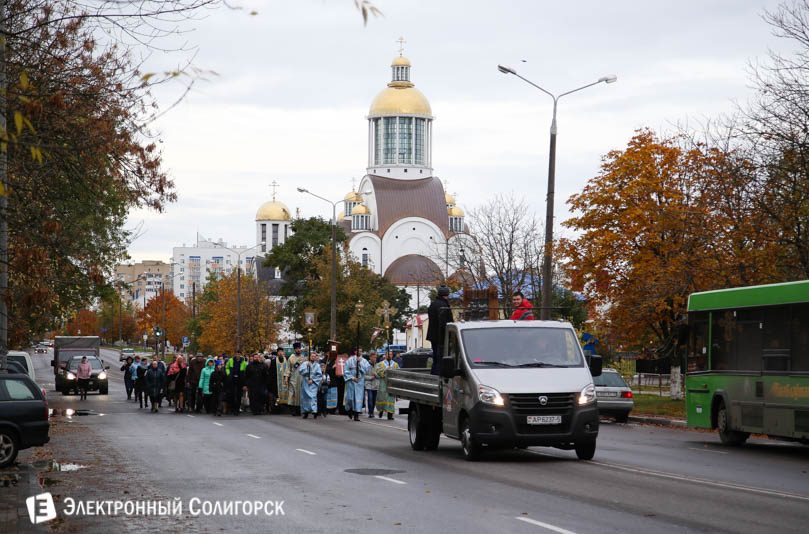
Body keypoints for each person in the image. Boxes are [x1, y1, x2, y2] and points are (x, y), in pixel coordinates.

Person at [427, 285, 452, 375]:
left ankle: (433, 374)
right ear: (446, 295)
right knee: (441, 357)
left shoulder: (433, 304)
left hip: (433, 336)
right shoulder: (444, 306)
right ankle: (437, 376)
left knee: (435, 357)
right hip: (441, 336)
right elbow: (445, 323)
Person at [343, 351, 371, 421]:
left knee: (358, 398)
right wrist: (352, 378)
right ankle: (349, 410)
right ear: (356, 352)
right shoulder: (350, 360)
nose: (360, 352)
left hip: (359, 382)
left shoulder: (364, 361)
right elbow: (345, 370)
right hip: (351, 381)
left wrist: (360, 363)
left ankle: (356, 415)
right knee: (350, 398)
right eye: (358, 351)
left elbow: (367, 370)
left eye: (361, 351)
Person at [297, 351, 323, 419]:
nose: (313, 357)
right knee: (305, 397)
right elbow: (300, 371)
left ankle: (314, 411)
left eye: (314, 356)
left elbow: (319, 375)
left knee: (313, 397)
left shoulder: (317, 365)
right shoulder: (305, 363)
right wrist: (306, 367)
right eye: (312, 356)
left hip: (313, 384)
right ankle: (305, 412)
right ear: (309, 357)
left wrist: (313, 380)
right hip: (306, 382)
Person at [375, 349, 399, 420]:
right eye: (388, 354)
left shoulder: (395, 364)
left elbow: (398, 373)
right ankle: (381, 411)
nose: (389, 355)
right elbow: (378, 372)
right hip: (383, 385)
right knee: (382, 398)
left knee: (391, 399)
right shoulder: (381, 364)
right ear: (385, 355)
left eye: (391, 354)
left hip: (391, 385)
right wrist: (385, 370)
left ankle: (390, 414)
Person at [285, 343, 305, 416]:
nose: (298, 350)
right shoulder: (291, 358)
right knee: (292, 394)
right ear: (295, 349)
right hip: (293, 378)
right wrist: (286, 378)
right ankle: (292, 410)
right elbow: (288, 369)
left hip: (301, 378)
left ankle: (299, 410)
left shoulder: (303, 358)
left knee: (300, 394)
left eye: (299, 348)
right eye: (297, 348)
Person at [364, 352, 379, 419]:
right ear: (370, 357)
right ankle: (370, 412)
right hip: (368, 384)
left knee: (374, 400)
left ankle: (372, 411)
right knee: (370, 398)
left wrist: (375, 374)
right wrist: (370, 377)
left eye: (375, 357)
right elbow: (363, 376)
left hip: (375, 385)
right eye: (373, 357)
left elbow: (380, 376)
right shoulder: (366, 365)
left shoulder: (378, 365)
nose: (374, 359)